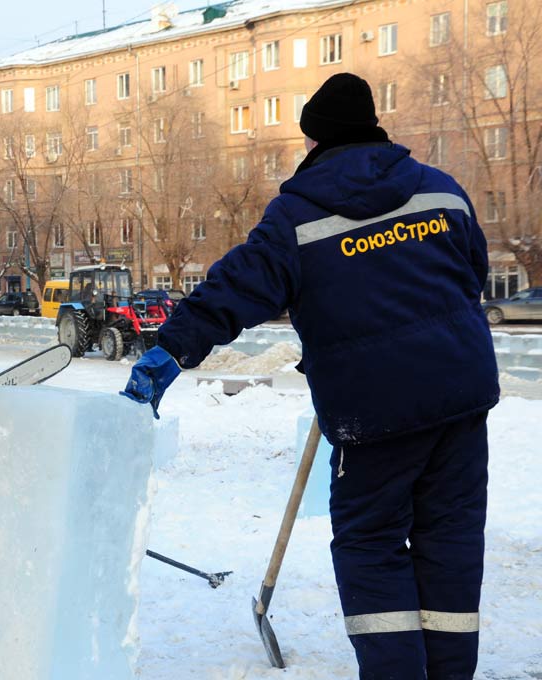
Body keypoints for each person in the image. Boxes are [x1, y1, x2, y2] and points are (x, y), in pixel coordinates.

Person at [122, 73, 497, 678]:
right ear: (376, 127)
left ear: (314, 142)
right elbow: (470, 275)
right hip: (460, 397)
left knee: (371, 548)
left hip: (373, 412)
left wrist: (169, 351)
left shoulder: (296, 215)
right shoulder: (441, 190)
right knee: (449, 543)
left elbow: (235, 289)